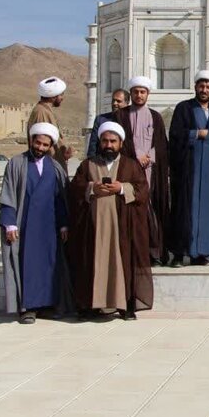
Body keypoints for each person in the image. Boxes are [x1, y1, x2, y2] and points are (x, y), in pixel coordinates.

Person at [67, 121, 152, 320]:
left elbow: (143, 191)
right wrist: (91, 188)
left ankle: (125, 306)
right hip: (93, 228)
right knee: (91, 263)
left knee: (124, 263)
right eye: (105, 140)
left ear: (120, 143)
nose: (109, 145)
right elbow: (74, 189)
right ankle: (91, 306)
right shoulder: (88, 165)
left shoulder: (131, 165)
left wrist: (122, 188)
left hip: (122, 227)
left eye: (113, 141)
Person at [0, 122, 71, 324]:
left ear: (51, 147)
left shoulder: (55, 168)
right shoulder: (16, 163)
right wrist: (10, 223)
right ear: (31, 141)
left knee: (49, 266)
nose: (40, 148)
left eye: (45, 145)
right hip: (25, 226)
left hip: (49, 227)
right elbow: (8, 195)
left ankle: (47, 305)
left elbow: (61, 199)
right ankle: (28, 308)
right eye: (37, 143)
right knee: (27, 265)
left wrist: (64, 224)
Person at [168, 70, 209, 266]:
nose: (204, 90)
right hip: (188, 170)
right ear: (195, 87)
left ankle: (201, 253)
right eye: (201, 86)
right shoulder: (184, 108)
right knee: (184, 210)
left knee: (208, 213)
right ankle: (178, 253)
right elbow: (175, 135)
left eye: (208, 87)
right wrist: (196, 134)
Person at [113, 76, 169, 267]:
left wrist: (149, 156)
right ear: (131, 94)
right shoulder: (121, 116)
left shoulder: (155, 117)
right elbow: (119, 142)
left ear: (148, 94)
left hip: (150, 173)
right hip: (128, 172)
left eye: (142, 92)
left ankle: (153, 253)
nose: (139, 95)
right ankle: (131, 253)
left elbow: (162, 145)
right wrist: (136, 156)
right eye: (136, 92)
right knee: (130, 211)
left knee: (150, 210)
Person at [28, 76, 73, 170]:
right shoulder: (41, 112)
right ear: (53, 96)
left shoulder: (45, 111)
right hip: (48, 168)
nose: (62, 98)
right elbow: (43, 142)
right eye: (61, 95)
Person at [87, 89, 129, 158]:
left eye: (118, 101)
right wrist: (91, 162)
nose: (115, 103)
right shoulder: (101, 119)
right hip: (102, 162)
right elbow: (93, 146)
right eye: (113, 100)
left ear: (127, 102)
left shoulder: (131, 121)